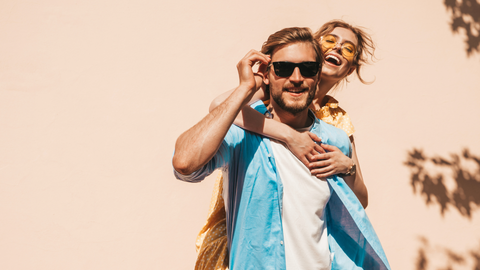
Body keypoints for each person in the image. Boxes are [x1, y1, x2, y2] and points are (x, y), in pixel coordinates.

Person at [173, 27, 390, 269]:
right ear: (267, 73)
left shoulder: (336, 136)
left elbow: (354, 208)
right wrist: (246, 89)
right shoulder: (245, 132)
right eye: (284, 68)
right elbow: (185, 163)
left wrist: (347, 166)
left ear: (318, 74)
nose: (296, 77)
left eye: (308, 69)